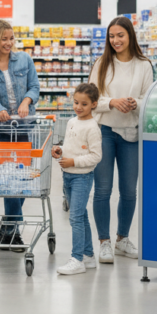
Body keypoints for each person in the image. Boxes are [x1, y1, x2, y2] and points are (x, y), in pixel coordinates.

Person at [89, 16, 153, 264]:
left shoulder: (144, 65)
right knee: (103, 190)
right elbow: (91, 99)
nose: (115, 40)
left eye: (120, 35)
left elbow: (149, 97)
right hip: (104, 131)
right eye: (111, 36)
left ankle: (122, 239)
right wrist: (112, 102)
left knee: (129, 191)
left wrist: (136, 103)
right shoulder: (102, 64)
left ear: (130, 36)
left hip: (132, 133)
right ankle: (104, 242)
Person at [0, 19, 40, 250]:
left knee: (21, 180)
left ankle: (8, 225)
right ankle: (13, 231)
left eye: (11, 38)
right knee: (9, 180)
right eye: (4, 38)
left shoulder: (24, 59)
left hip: (25, 128)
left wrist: (26, 101)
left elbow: (35, 86)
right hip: (1, 130)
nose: (9, 43)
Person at [54, 83, 103, 275]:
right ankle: (88, 255)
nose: (78, 107)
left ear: (94, 104)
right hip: (68, 176)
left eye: (84, 104)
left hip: (82, 178)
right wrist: (60, 151)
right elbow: (71, 145)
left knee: (74, 218)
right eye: (76, 102)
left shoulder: (92, 128)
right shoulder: (72, 122)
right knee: (81, 216)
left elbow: (96, 156)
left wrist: (73, 161)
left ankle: (77, 259)